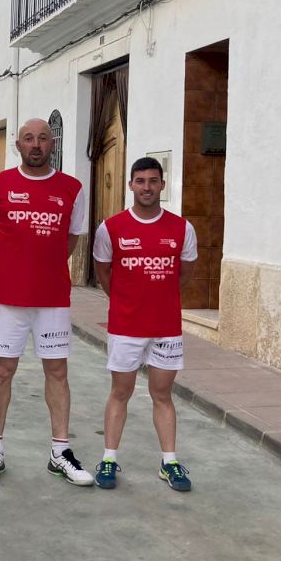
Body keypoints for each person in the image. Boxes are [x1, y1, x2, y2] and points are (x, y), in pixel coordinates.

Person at [0, 119, 91, 485]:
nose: (35, 144)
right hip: (7, 298)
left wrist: (44, 266)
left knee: (57, 372)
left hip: (52, 299)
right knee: (2, 371)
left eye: (42, 138)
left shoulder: (72, 189)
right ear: (18, 145)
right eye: (28, 138)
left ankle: (60, 452)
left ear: (52, 144)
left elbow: (71, 239)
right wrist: (12, 268)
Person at [92, 156, 197, 492]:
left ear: (163, 184)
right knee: (120, 392)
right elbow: (103, 271)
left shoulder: (182, 228)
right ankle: (109, 458)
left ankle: (170, 462)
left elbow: (184, 274)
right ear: (130, 185)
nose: (147, 187)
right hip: (125, 327)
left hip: (166, 327)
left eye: (153, 181)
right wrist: (126, 300)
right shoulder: (111, 228)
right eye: (140, 181)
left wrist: (159, 298)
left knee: (162, 394)